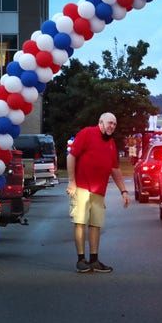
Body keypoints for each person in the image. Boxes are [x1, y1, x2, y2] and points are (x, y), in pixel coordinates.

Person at [66, 112, 130, 273]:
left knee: (96, 224)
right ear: (100, 122)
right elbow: (71, 156)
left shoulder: (111, 143)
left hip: (99, 191)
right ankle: (81, 259)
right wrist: (71, 181)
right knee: (80, 222)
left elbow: (115, 169)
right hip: (81, 187)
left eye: (114, 124)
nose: (112, 126)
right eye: (109, 123)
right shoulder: (87, 133)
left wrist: (124, 190)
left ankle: (94, 260)